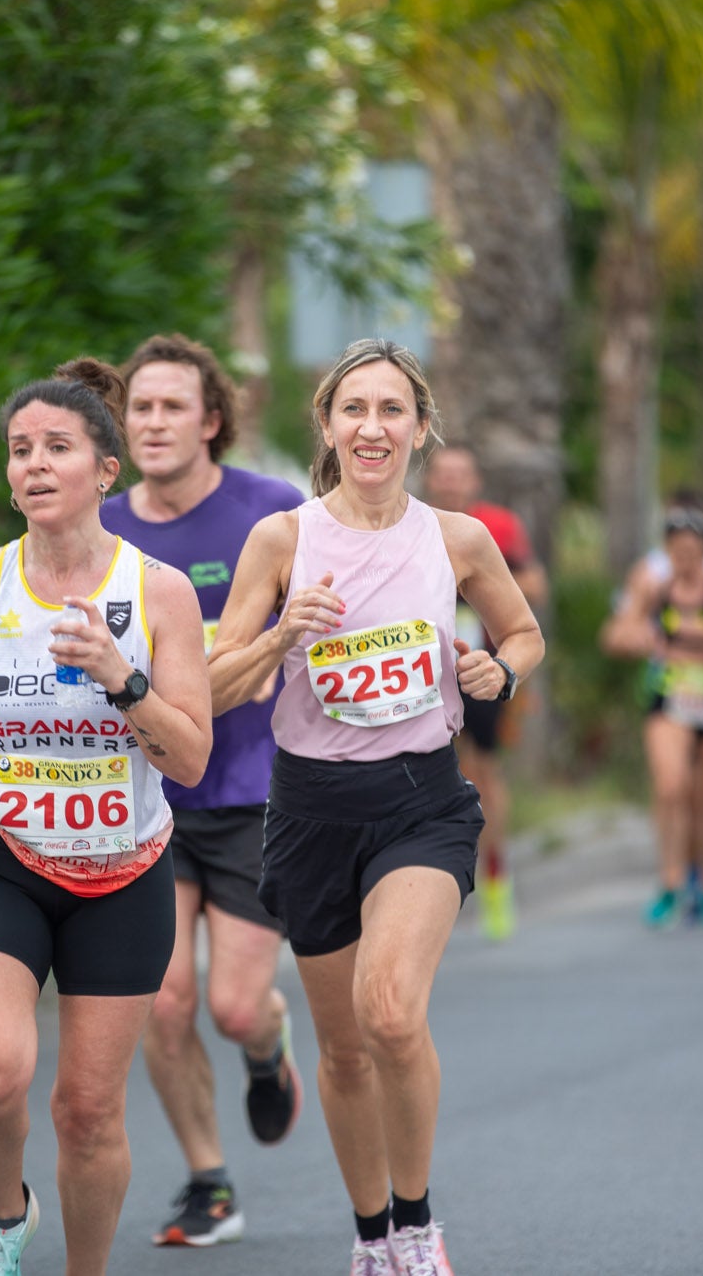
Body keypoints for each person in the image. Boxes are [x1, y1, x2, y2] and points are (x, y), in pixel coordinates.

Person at [208, 339, 543, 1276]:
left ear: (421, 428)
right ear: (327, 425)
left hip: (421, 802)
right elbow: (219, 683)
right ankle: (371, 1237)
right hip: (311, 807)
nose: (372, 426)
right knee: (346, 1048)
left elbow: (522, 629)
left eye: (392, 409)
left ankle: (419, 1221)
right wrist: (283, 635)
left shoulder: (455, 537)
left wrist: (501, 668)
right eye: (354, 409)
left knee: (390, 1011)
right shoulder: (284, 539)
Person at [0, 357, 213, 1276]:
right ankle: (7, 1215)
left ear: (105, 470)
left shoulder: (159, 592)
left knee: (86, 1110)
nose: (33, 466)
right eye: (18, 450)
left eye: (57, 448)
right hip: (1, 853)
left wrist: (124, 678)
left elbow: (191, 756)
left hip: (124, 871)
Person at [97, 334, 306, 1249]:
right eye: (138, 406)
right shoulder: (101, 528)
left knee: (231, 1005)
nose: (151, 421)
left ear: (211, 420)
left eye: (171, 406)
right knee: (164, 998)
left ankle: (267, 1045)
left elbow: (317, 632)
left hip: (259, 791)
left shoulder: (273, 513)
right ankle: (208, 1179)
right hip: (150, 799)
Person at [601, 502, 703, 928]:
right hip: (670, 697)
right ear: (667, 551)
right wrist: (645, 639)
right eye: (677, 551)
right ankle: (670, 880)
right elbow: (616, 634)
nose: (684, 559)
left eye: (692, 551)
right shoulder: (656, 588)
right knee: (671, 786)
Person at [422, 445, 549, 940]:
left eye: (461, 475)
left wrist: (475, 582)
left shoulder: (495, 526)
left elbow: (534, 585)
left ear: (475, 482)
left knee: (485, 772)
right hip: (427, 668)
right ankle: (440, 877)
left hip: (483, 666)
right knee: (438, 769)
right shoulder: (413, 523)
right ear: (431, 480)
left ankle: (496, 873)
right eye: (444, 475)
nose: (451, 483)